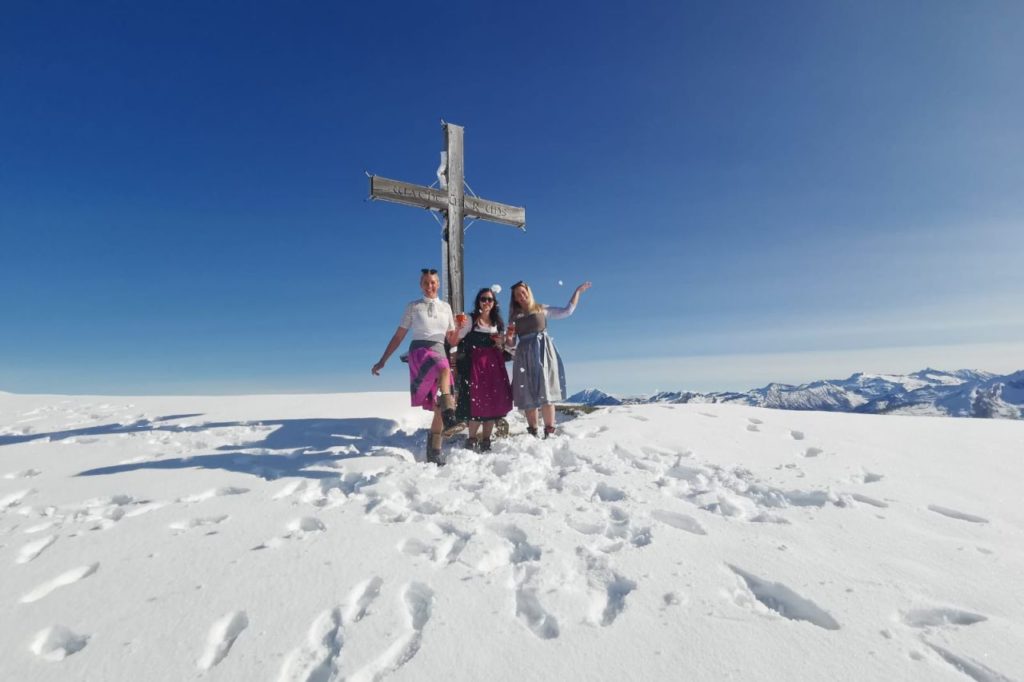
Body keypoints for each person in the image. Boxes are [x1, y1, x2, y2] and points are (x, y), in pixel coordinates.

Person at [372, 268, 460, 465]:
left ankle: (434, 451)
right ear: (421, 285)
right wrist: (383, 360)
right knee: (445, 371)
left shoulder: (446, 307)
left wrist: (459, 329)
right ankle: (450, 414)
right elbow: (399, 336)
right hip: (420, 351)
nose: (430, 286)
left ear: (438, 284)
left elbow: (452, 340)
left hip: (440, 351)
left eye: (433, 282)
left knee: (441, 402)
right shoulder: (413, 306)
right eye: (426, 282)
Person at [506, 280, 592, 437]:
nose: (521, 296)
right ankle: (532, 431)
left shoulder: (541, 308)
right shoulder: (514, 317)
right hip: (523, 354)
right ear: (515, 299)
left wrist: (577, 292)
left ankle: (549, 430)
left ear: (528, 292)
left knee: (546, 391)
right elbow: (511, 344)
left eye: (523, 292)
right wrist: (509, 336)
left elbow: (567, 311)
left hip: (542, 351)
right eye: (517, 295)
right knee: (527, 393)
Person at [454, 287, 513, 452]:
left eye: (490, 299)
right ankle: (471, 438)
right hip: (474, 364)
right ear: (478, 301)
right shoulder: (470, 320)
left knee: (492, 402)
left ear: (494, 303)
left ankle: (486, 439)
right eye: (483, 299)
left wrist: (500, 342)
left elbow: (502, 347)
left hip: (493, 366)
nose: (486, 302)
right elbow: (457, 338)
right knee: (476, 402)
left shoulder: (497, 323)